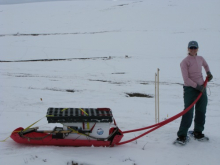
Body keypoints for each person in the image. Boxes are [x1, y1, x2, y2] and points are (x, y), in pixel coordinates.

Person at [176, 41, 213, 144]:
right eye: (191, 48)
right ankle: (182, 135)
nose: (193, 49)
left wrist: (208, 73)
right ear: (188, 49)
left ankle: (198, 132)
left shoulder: (200, 58)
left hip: (201, 88)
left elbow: (205, 65)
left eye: (195, 48)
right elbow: (186, 79)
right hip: (190, 89)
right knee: (188, 111)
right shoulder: (184, 62)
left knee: (201, 110)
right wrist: (197, 87)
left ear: (197, 48)